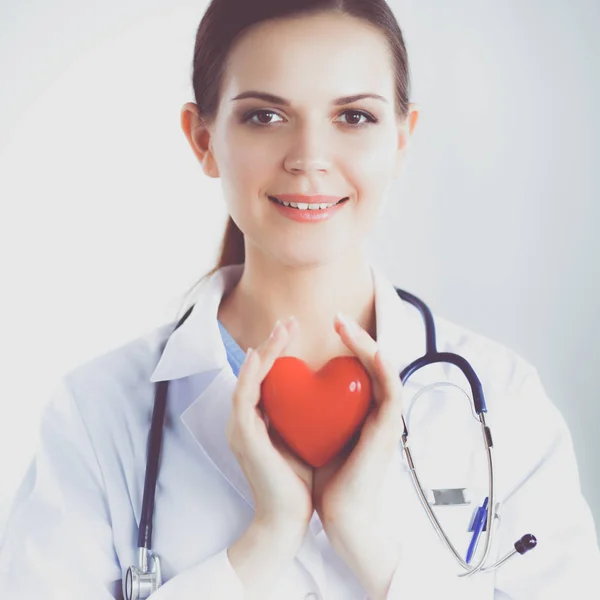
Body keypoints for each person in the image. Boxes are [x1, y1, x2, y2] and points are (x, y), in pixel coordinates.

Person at [1, 1, 599, 598]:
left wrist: (362, 537)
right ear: (203, 138)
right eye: (264, 116)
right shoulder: (96, 414)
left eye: (355, 117)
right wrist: (262, 543)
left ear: (401, 138)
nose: (309, 157)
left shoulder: (505, 401)